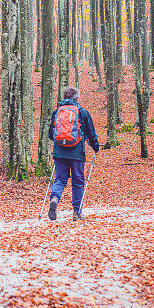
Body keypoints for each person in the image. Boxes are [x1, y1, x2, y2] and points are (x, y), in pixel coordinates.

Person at [48, 86, 99, 221]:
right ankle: (77, 212)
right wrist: (95, 146)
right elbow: (90, 132)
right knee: (78, 181)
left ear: (64, 98)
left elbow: (50, 134)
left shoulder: (57, 112)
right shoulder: (82, 112)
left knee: (60, 179)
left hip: (59, 152)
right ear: (77, 98)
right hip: (77, 153)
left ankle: (54, 198)